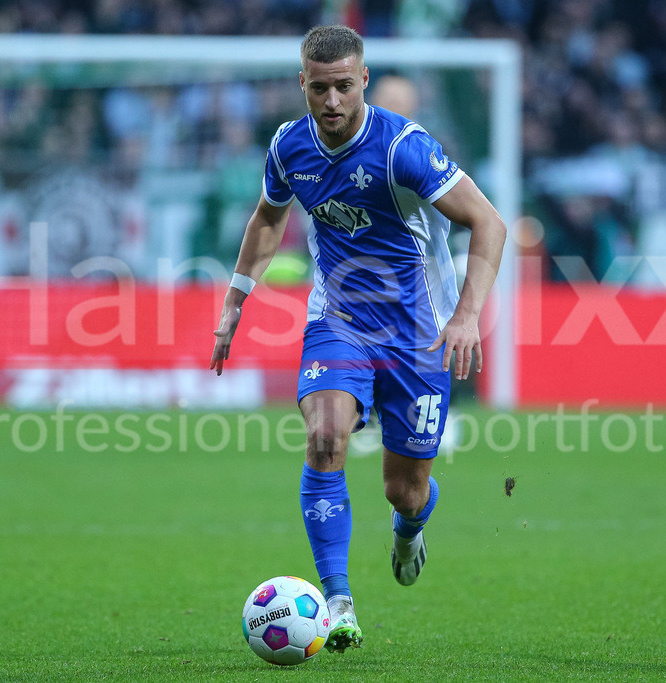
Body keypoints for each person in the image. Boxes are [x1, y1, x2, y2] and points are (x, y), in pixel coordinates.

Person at [209, 25, 506, 653]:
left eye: (345, 86)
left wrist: (466, 315)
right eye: (321, 89)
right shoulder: (289, 147)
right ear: (303, 86)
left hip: (418, 335)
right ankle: (337, 601)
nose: (333, 101)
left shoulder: (404, 148)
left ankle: (409, 525)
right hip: (338, 322)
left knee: (405, 488)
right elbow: (269, 215)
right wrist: (236, 300)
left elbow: (488, 222)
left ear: (364, 80)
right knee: (324, 437)